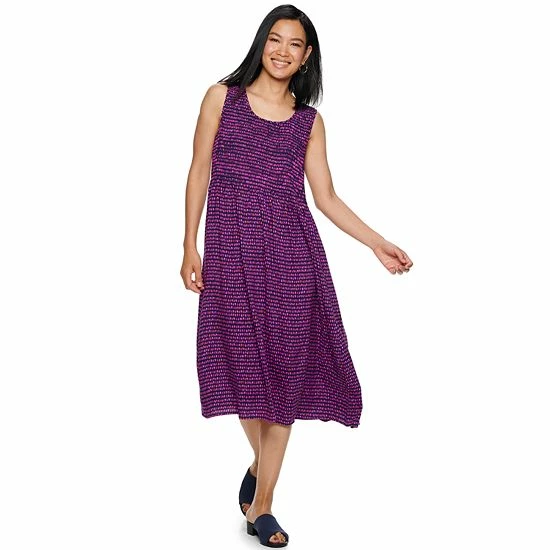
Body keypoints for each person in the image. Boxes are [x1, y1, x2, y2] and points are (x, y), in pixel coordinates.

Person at [180, 4, 413, 547]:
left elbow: (325, 196)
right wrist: (189, 242)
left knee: (283, 377)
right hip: (231, 254)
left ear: (307, 56)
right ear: (262, 43)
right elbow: (199, 169)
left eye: (295, 44)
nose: (283, 51)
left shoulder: (309, 122)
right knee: (241, 370)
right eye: (275, 39)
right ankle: (260, 464)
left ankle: (262, 505)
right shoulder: (221, 98)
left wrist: (376, 242)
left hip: (292, 259)